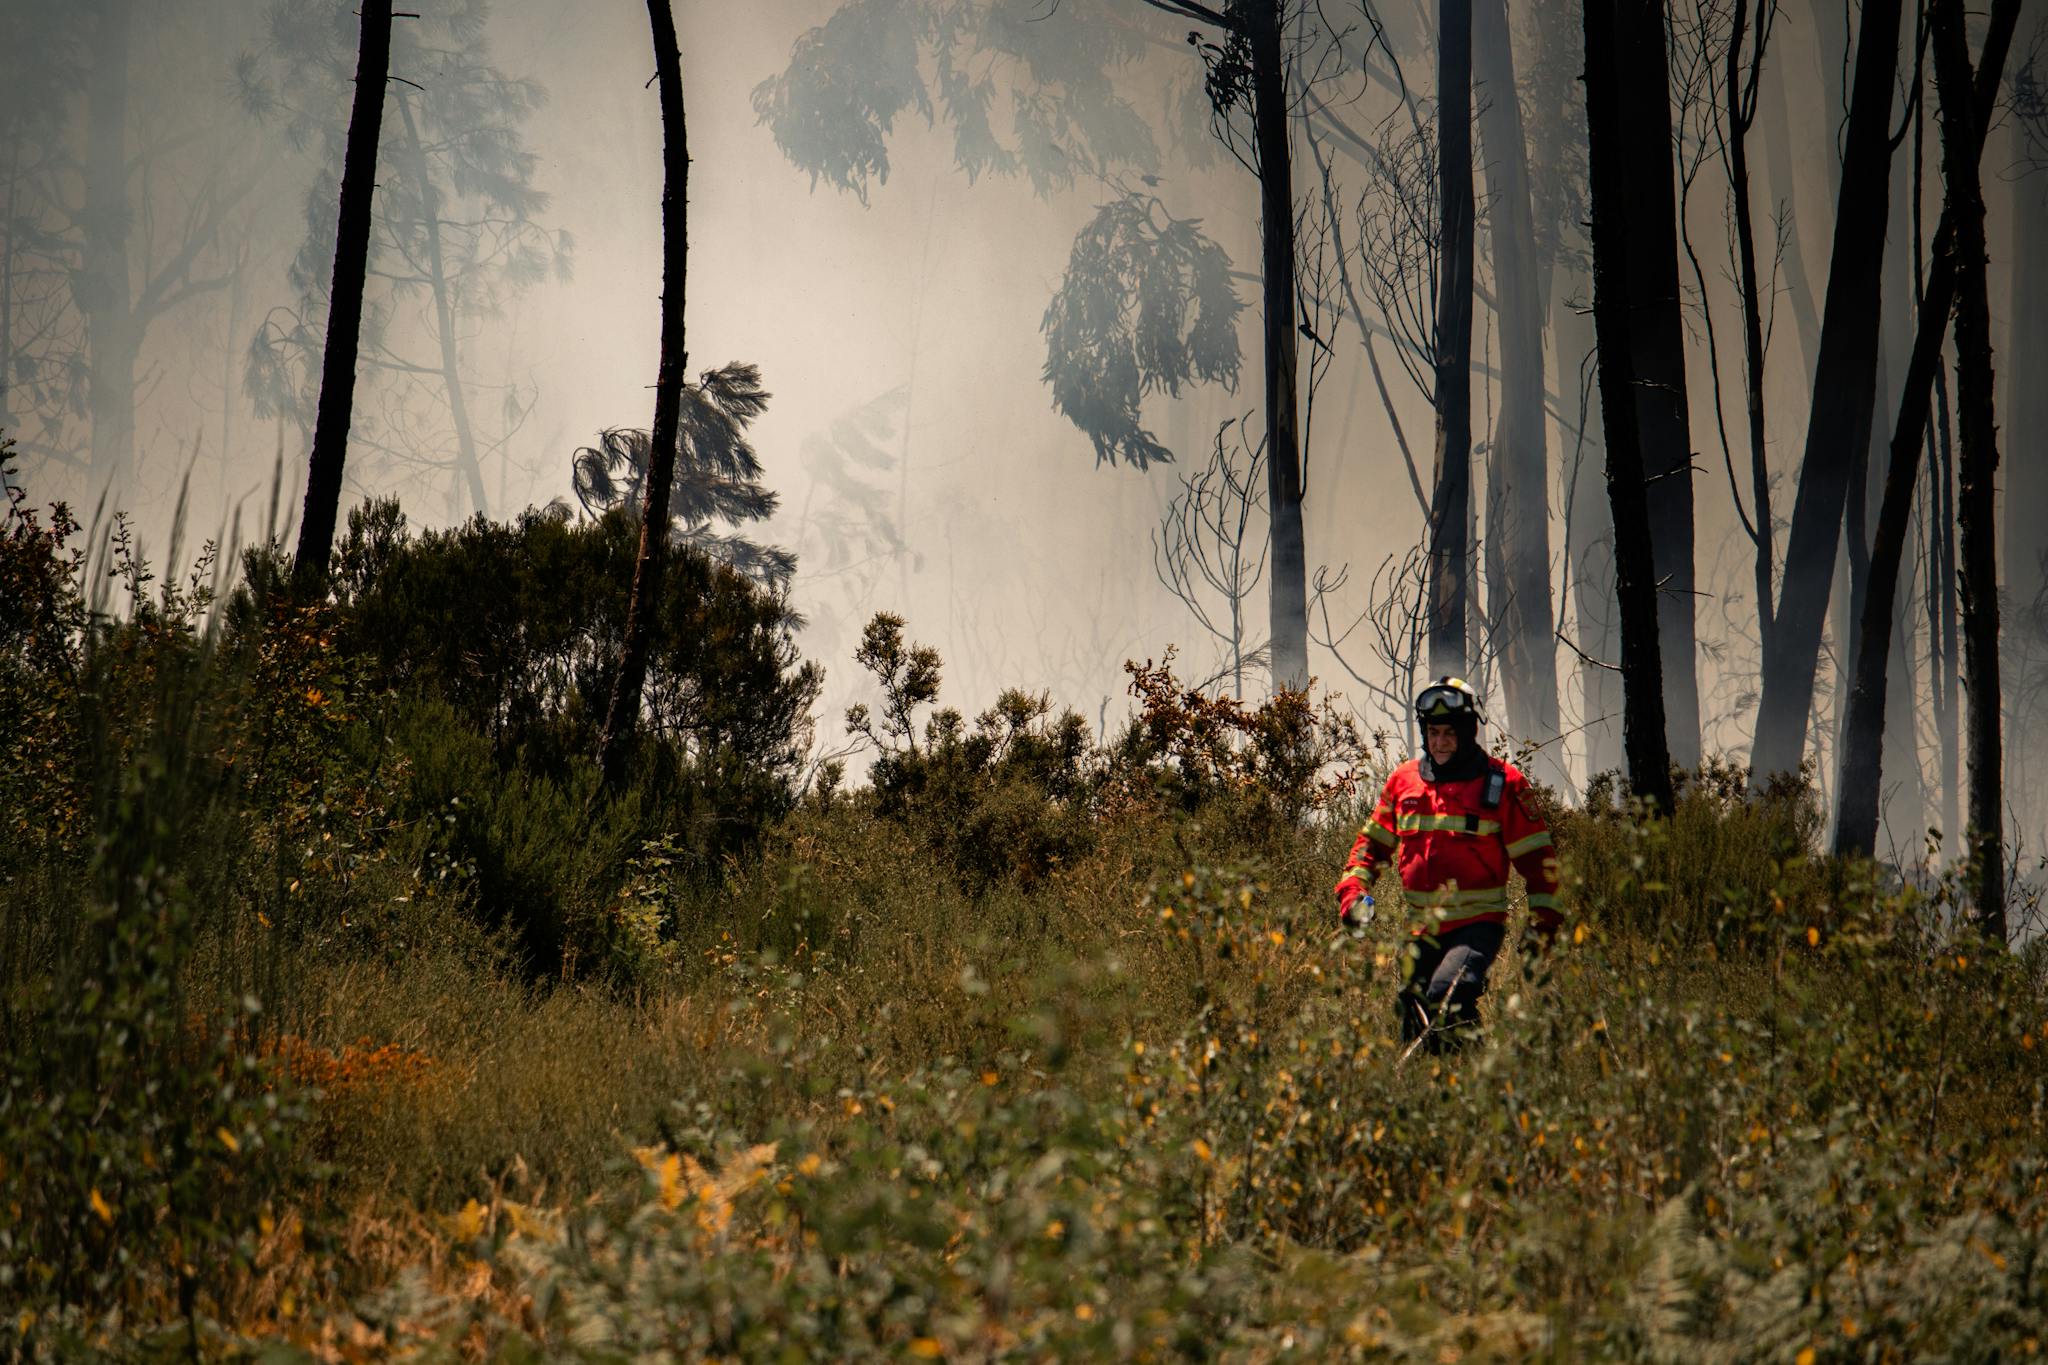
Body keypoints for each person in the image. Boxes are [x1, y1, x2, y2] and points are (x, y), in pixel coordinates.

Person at [1334, 676, 1562, 1053]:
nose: (1440, 743)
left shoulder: (1504, 784)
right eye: (1433, 732)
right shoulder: (1404, 782)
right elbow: (1370, 848)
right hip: (1421, 927)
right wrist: (1353, 895)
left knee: (1446, 994)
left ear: (1470, 731)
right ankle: (1445, 1088)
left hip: (1477, 926)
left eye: (1449, 733)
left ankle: (1473, 1083)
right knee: (1413, 1009)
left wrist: (1544, 926)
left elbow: (1541, 863)